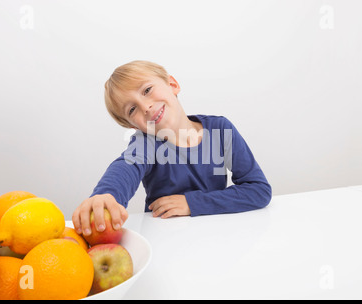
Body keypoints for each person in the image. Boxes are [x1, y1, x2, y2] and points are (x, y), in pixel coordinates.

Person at [72, 60, 271, 236]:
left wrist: (191, 203)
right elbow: (127, 165)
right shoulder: (146, 143)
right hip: (165, 238)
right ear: (134, 126)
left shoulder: (220, 129)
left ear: (173, 84)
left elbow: (258, 190)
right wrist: (107, 195)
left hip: (217, 234)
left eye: (147, 90)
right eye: (132, 109)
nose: (146, 107)